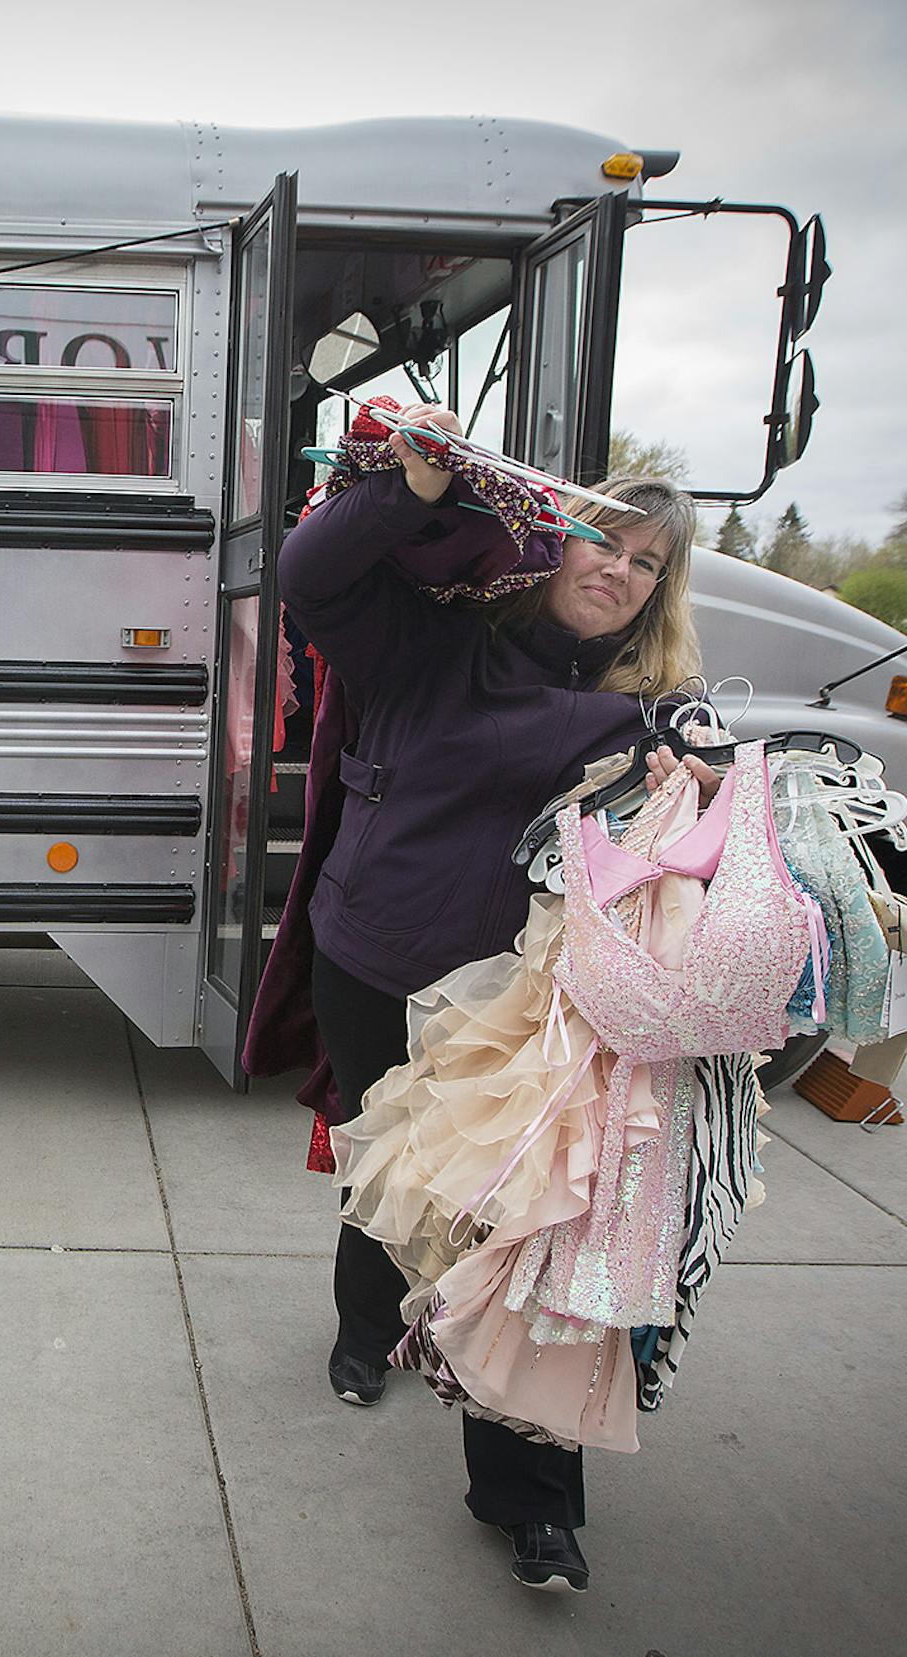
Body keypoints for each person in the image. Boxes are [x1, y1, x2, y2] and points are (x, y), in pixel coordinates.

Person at [275, 401, 701, 1593]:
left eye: (644, 563)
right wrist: (405, 491)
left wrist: (699, 776)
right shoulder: (433, 639)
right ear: (554, 539)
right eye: (603, 541)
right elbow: (311, 572)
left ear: (658, 592)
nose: (616, 571)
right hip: (377, 954)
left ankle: (531, 1506)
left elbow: (716, 788)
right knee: (384, 1167)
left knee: (517, 1243)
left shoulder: (653, 711)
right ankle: (369, 1330)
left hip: (520, 1015)